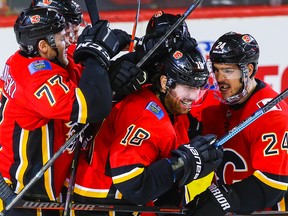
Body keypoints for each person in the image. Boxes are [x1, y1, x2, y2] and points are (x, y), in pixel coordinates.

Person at [67, 46, 223, 216]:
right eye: (188, 87)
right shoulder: (145, 115)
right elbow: (132, 184)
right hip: (101, 202)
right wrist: (184, 162)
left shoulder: (172, 107)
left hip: (119, 200)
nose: (194, 96)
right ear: (165, 83)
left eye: (198, 88)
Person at [0, 6, 121, 215]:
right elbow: (93, 106)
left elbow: (83, 76)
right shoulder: (35, 79)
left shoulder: (37, 61)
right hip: (18, 197)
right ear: (44, 46)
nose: (68, 43)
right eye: (62, 37)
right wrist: (97, 55)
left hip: (37, 196)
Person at [186, 31, 288, 215]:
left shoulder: (272, 116)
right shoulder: (213, 104)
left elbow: (271, 185)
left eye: (227, 70)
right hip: (235, 210)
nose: (219, 79)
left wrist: (220, 200)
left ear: (248, 70)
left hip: (271, 211)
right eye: (216, 69)